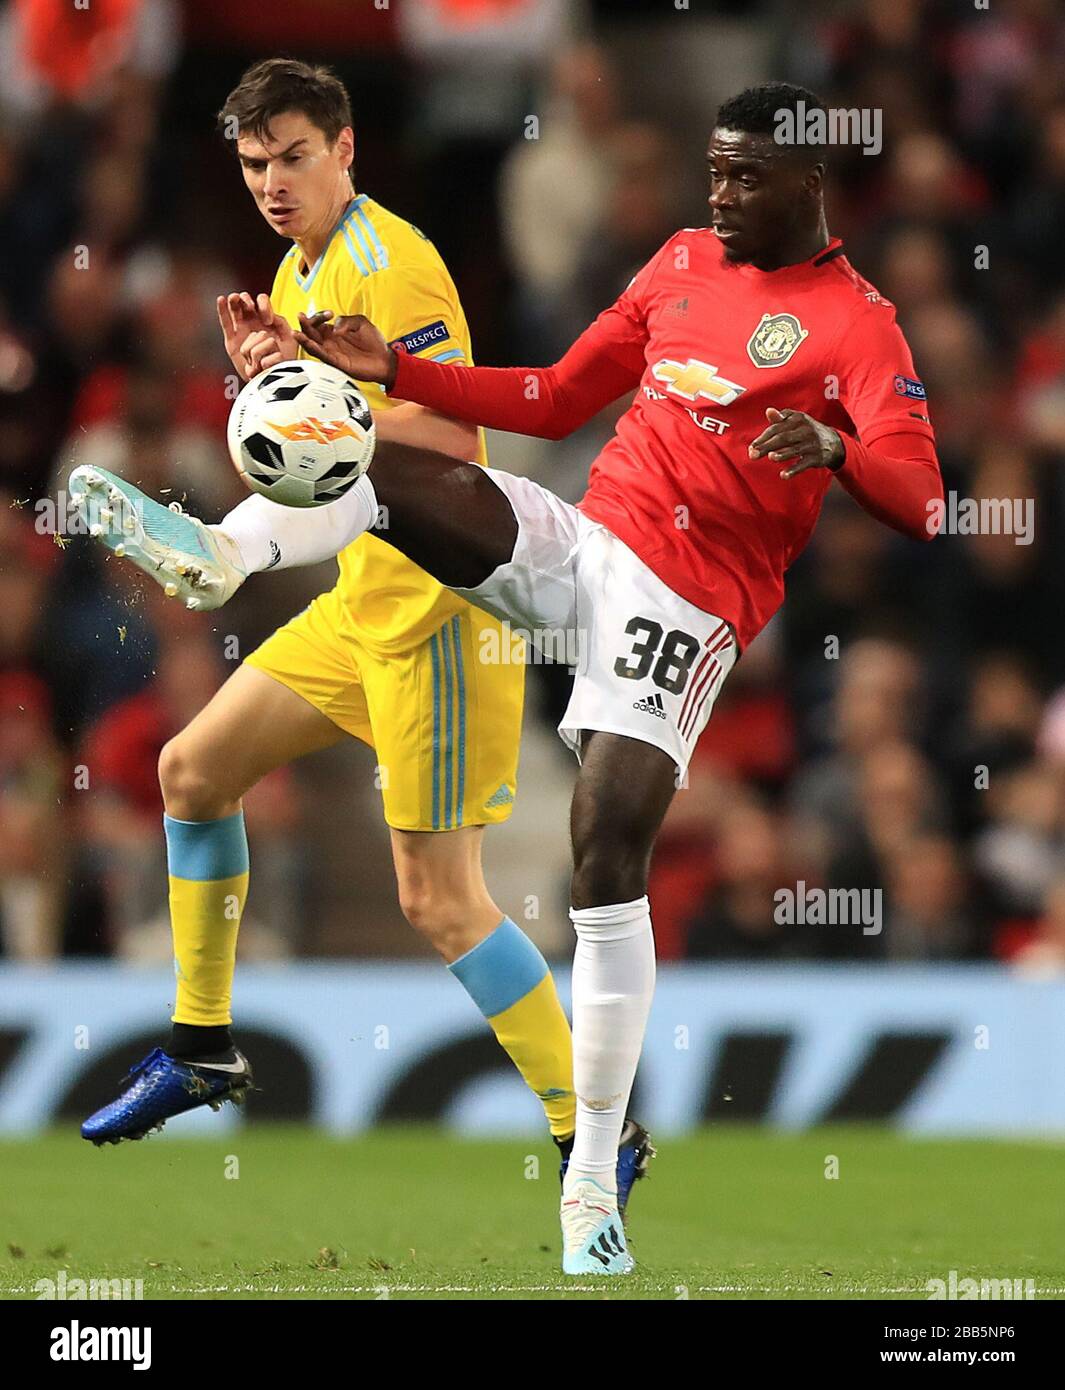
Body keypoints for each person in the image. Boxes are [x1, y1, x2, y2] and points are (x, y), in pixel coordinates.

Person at [75, 81, 943, 1275]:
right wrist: (393, 372)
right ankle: (225, 556)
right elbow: (555, 396)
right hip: (584, 543)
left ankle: (591, 1168)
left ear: (809, 180)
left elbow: (925, 499)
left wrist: (842, 449)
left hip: (685, 607)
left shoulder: (859, 325)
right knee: (362, 489)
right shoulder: (683, 260)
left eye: (743, 175)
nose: (718, 194)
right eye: (713, 170)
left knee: (595, 857)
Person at [72, 57, 651, 1215]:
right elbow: (325, 440)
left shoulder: (395, 262)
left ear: (345, 150)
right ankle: (200, 1045)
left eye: (293, 156)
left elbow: (442, 429)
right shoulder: (302, 268)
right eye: (252, 165)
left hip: (441, 613)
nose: (274, 183)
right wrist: (272, 383)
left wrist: (296, 392)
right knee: (190, 772)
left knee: (439, 900)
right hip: (364, 600)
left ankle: (597, 1129)